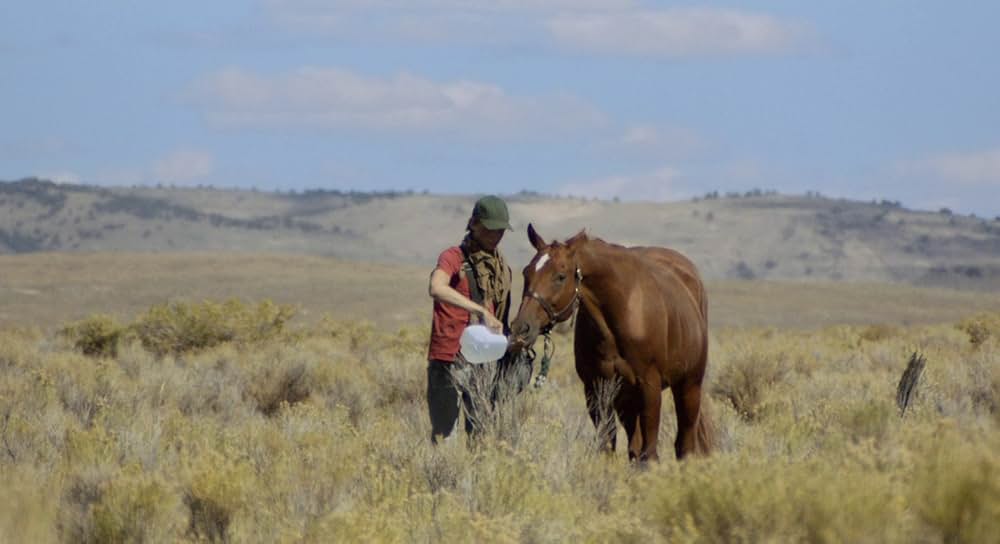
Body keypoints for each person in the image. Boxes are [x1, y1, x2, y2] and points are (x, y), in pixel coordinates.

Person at [426, 195, 514, 443]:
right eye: (490, 228)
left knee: (482, 437)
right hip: (449, 359)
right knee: (445, 438)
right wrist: (481, 310)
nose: (495, 235)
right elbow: (437, 287)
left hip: (485, 361)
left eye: (500, 230)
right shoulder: (453, 257)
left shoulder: (500, 267)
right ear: (474, 224)